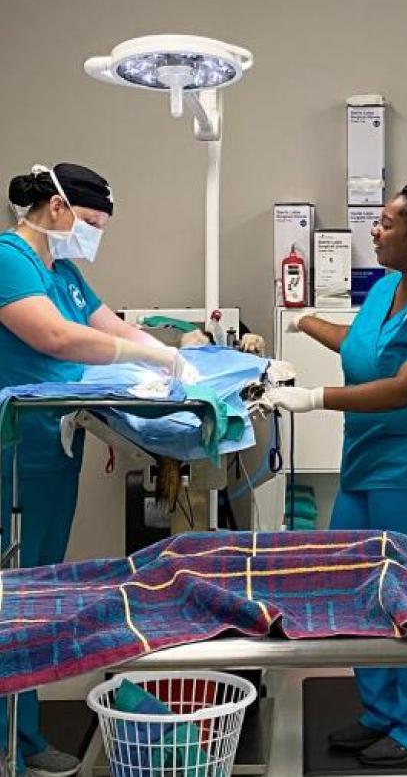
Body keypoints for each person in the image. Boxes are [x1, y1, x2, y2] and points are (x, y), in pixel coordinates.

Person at [269, 175, 407, 768]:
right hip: (371, 459)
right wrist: (302, 325)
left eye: (388, 222)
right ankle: (380, 711)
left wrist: (314, 400)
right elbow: (363, 346)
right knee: (356, 582)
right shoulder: (388, 288)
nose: (376, 228)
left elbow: (403, 388)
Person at [0, 164, 192, 776]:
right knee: (13, 597)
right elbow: (55, 338)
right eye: (87, 222)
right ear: (55, 207)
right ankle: (10, 742)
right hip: (11, 452)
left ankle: (23, 734)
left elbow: (106, 326)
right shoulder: (8, 257)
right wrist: (146, 354)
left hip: (51, 448)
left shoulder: (63, 271)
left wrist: (175, 351)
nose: (91, 234)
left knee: (44, 591)